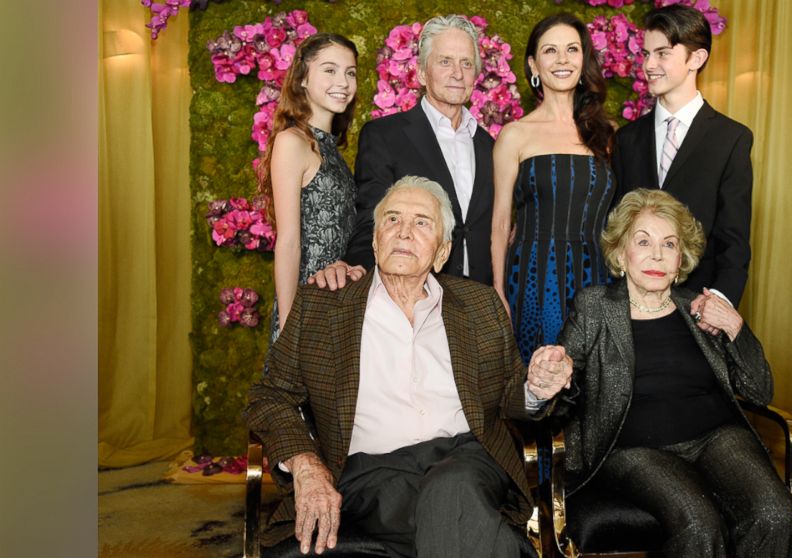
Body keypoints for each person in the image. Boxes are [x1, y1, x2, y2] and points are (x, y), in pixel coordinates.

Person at [246, 176, 552, 558]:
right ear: (374, 242)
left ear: (443, 251)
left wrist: (537, 388)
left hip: (467, 458)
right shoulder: (323, 307)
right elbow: (269, 396)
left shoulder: (479, 305)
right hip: (371, 475)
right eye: (392, 219)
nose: (404, 232)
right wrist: (306, 464)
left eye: (422, 222)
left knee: (454, 486)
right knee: (462, 514)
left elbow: (510, 397)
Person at [530, 189, 792, 557]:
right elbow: (564, 390)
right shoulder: (594, 307)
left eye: (669, 244)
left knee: (775, 513)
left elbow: (760, 391)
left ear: (680, 259)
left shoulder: (698, 308)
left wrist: (737, 328)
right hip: (635, 449)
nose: (657, 254)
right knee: (698, 524)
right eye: (643, 241)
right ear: (621, 253)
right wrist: (551, 379)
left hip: (717, 438)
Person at [327, 14, 495, 289]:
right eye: (445, 61)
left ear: (476, 74)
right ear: (421, 72)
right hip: (410, 298)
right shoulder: (385, 136)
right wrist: (358, 274)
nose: (457, 73)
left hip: (478, 298)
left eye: (466, 63)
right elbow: (371, 219)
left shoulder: (488, 145)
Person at [491, 12, 617, 365]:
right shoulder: (515, 134)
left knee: (595, 383)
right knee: (542, 384)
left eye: (572, 49)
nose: (562, 60)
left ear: (584, 59)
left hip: (597, 278)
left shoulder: (606, 133)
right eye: (550, 51)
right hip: (534, 277)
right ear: (533, 63)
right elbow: (501, 222)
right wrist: (500, 291)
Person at [612, 4, 754, 312]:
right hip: (632, 306)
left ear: (697, 58)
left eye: (662, 53)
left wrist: (718, 302)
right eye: (646, 54)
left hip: (699, 305)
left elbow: (734, 238)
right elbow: (618, 229)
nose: (649, 64)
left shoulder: (732, 139)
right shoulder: (627, 139)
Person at [256, 32, 366, 343]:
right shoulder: (293, 142)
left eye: (350, 72)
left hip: (339, 304)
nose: (343, 82)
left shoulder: (332, 150)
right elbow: (289, 241)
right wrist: (290, 327)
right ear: (303, 77)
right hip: (308, 309)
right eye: (330, 70)